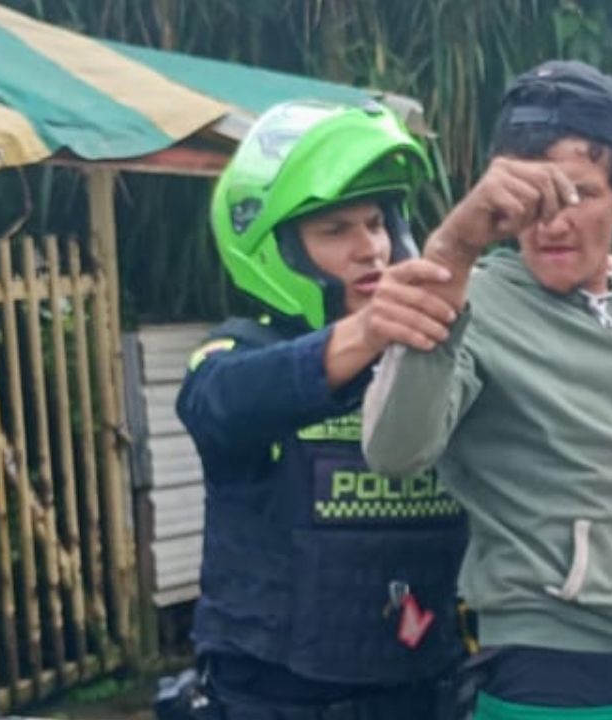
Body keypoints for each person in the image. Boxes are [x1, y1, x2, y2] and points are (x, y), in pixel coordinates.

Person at [361, 60, 612, 719]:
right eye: (530, 200)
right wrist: (453, 251)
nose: (551, 223)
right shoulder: (477, 301)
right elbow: (393, 449)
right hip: (548, 670)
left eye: (578, 194)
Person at [175, 100, 469, 719]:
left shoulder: (436, 362)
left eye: (376, 223)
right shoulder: (240, 350)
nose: (370, 249)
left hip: (423, 689)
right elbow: (219, 403)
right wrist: (366, 334)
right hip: (275, 697)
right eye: (335, 231)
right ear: (277, 250)